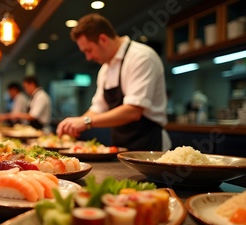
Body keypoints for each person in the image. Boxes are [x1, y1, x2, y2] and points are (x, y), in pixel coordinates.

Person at [56, 13, 171, 151]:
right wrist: (75, 123)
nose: (88, 57)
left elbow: (133, 111)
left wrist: (86, 122)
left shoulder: (141, 57)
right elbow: (98, 108)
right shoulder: (105, 69)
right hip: (121, 145)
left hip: (150, 144)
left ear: (103, 39)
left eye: (89, 50)